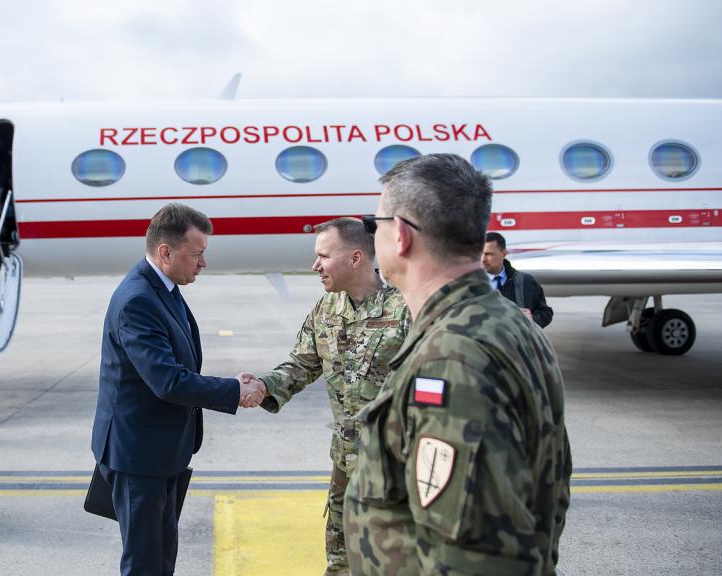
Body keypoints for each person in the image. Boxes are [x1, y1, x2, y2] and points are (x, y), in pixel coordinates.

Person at [345, 154, 572, 575]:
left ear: (402, 236)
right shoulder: (505, 322)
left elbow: (475, 558)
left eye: (376, 224)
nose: (372, 236)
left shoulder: (451, 357)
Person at [90, 203, 265, 575]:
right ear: (165, 252)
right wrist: (234, 390)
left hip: (161, 450)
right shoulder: (138, 299)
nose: (203, 263)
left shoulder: (162, 288)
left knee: (162, 553)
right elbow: (167, 380)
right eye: (197, 254)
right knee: (145, 562)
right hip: (139, 457)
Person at [237, 217, 410, 576]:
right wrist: (263, 386)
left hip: (394, 467)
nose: (315, 265)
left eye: (324, 256)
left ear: (356, 258)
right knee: (340, 560)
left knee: (394, 560)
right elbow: (302, 364)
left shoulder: (405, 311)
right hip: (345, 463)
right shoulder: (326, 310)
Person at [482, 231, 554, 328]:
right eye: (479, 254)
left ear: (504, 253)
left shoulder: (526, 282)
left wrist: (532, 320)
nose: (482, 259)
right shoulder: (467, 284)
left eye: (488, 254)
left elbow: (546, 312)